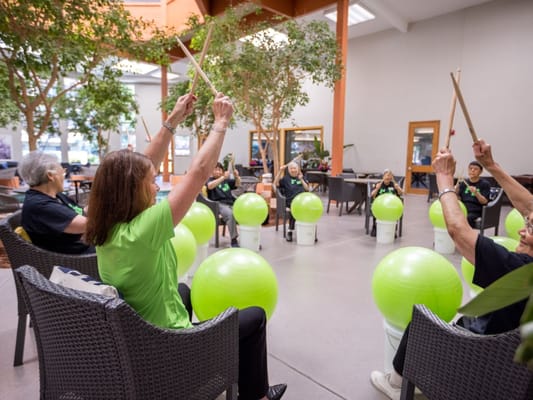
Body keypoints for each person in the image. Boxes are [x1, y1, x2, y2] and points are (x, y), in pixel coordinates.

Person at [85, 92, 286, 400]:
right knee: (255, 316)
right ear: (131, 191)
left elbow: (143, 164)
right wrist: (221, 122)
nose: (155, 186)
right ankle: (255, 396)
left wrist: (174, 119)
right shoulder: (144, 230)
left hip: (138, 333)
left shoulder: (106, 225)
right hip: (167, 344)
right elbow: (198, 173)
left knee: (183, 291)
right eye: (150, 183)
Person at [370, 140, 533, 400]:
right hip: (512, 366)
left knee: (418, 322)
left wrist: (444, 179)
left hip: (476, 354)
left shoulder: (519, 271)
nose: (522, 229)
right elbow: (530, 207)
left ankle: (396, 382)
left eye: (530, 228)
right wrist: (491, 165)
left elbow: (459, 233)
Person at [18, 151, 94, 254]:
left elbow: (81, 213)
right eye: (62, 172)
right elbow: (89, 225)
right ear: (50, 175)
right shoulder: (40, 206)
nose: (64, 175)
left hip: (85, 246)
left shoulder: (55, 195)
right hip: (76, 259)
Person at [206, 161, 241, 247]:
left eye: (220, 170)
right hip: (218, 204)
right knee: (230, 214)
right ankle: (234, 240)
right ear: (211, 171)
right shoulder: (210, 180)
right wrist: (222, 178)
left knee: (244, 212)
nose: (218, 171)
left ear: (222, 171)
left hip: (231, 203)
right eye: (215, 170)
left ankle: (248, 238)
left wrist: (237, 176)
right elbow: (210, 186)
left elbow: (238, 184)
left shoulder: (227, 181)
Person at [273, 161, 309, 242]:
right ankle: (290, 231)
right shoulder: (286, 179)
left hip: (303, 202)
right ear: (288, 170)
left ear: (298, 169)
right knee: (295, 207)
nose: (293, 170)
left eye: (295, 168)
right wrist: (280, 171)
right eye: (291, 168)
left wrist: (301, 180)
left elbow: (307, 189)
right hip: (291, 202)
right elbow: (274, 184)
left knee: (310, 209)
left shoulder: (301, 177)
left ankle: (309, 231)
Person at [455, 160, 491, 227]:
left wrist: (476, 193)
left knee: (467, 218)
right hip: (463, 209)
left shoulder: (485, 184)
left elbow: (484, 201)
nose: (472, 170)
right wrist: (456, 193)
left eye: (475, 169)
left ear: (481, 172)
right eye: (470, 168)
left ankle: (467, 236)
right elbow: (459, 199)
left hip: (476, 211)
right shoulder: (463, 183)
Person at [370, 169, 403, 237]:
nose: (388, 178)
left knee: (393, 213)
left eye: (389, 176)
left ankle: (392, 230)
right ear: (383, 177)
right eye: (386, 176)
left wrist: (398, 188)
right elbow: (372, 195)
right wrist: (377, 189)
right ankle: (375, 228)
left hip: (391, 207)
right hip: (380, 207)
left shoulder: (394, 184)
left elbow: (401, 193)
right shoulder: (379, 184)